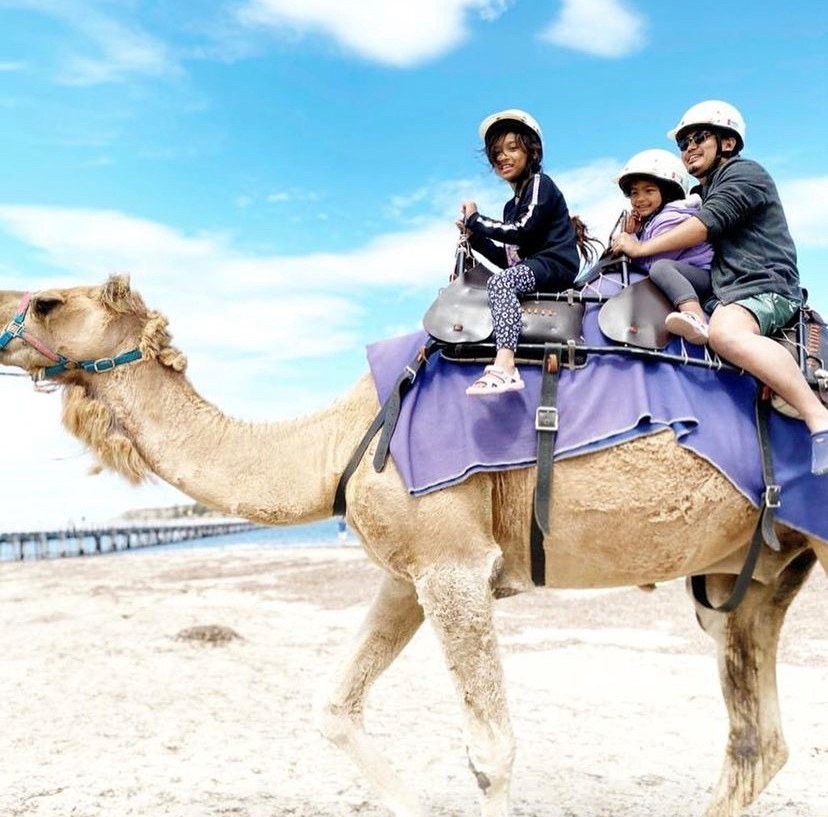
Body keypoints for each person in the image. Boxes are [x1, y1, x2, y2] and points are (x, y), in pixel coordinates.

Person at [611, 100, 828, 475]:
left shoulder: (744, 174)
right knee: (663, 270)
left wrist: (640, 247)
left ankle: (817, 419)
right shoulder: (706, 188)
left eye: (698, 137)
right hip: (724, 282)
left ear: (727, 142)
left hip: (760, 283)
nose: (689, 148)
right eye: (683, 143)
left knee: (726, 337)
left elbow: (706, 226)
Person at [458, 109, 595, 396]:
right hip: (534, 265)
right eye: (496, 152)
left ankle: (505, 364)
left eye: (512, 148)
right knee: (504, 278)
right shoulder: (511, 205)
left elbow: (522, 229)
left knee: (502, 282)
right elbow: (510, 258)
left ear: (532, 152)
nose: (502, 157)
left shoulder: (539, 185)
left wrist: (476, 221)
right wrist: (476, 240)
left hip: (554, 263)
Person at [614, 149, 714, 344]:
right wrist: (635, 232)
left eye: (649, 191)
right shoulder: (652, 222)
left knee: (661, 268)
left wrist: (632, 242)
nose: (639, 199)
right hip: (682, 274)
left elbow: (653, 262)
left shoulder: (671, 217)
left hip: (699, 276)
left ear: (667, 192)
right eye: (634, 193)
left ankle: (695, 317)